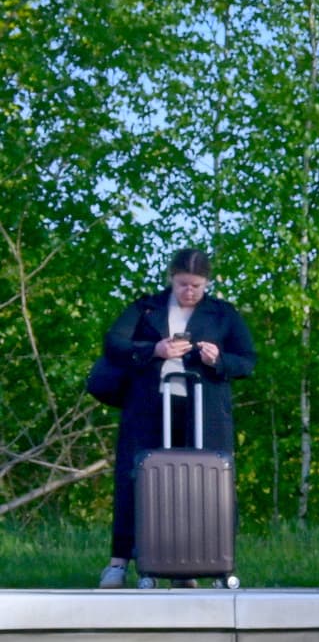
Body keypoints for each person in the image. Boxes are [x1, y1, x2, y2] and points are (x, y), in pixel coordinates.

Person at [95, 247, 254, 588]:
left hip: (204, 409)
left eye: (197, 285)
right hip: (149, 406)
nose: (190, 292)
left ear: (207, 283)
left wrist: (218, 360)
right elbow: (113, 344)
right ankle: (119, 563)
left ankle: (198, 565)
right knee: (133, 477)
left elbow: (247, 361)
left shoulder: (222, 313)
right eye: (183, 284)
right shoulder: (147, 307)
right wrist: (155, 350)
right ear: (171, 279)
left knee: (206, 483)